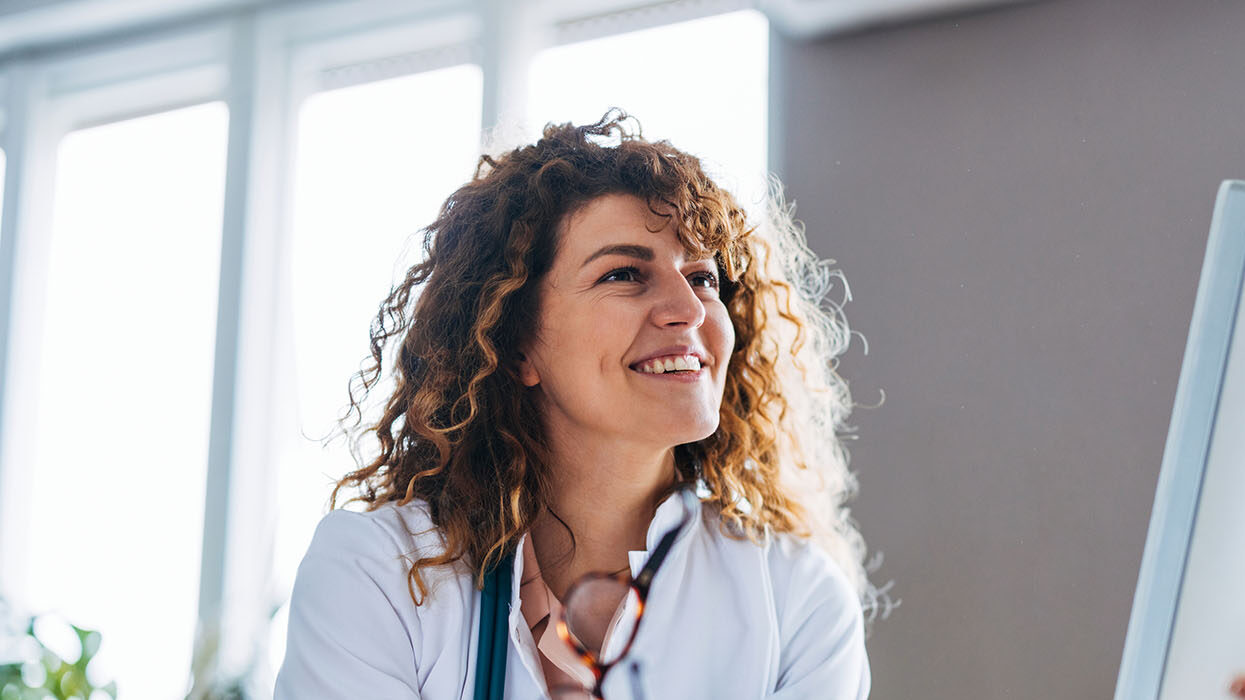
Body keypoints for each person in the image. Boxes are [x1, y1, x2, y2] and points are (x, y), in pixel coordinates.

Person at [273, 110, 889, 699]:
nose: (691, 309)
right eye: (624, 274)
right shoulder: (380, 572)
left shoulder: (797, 598)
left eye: (703, 277)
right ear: (514, 344)